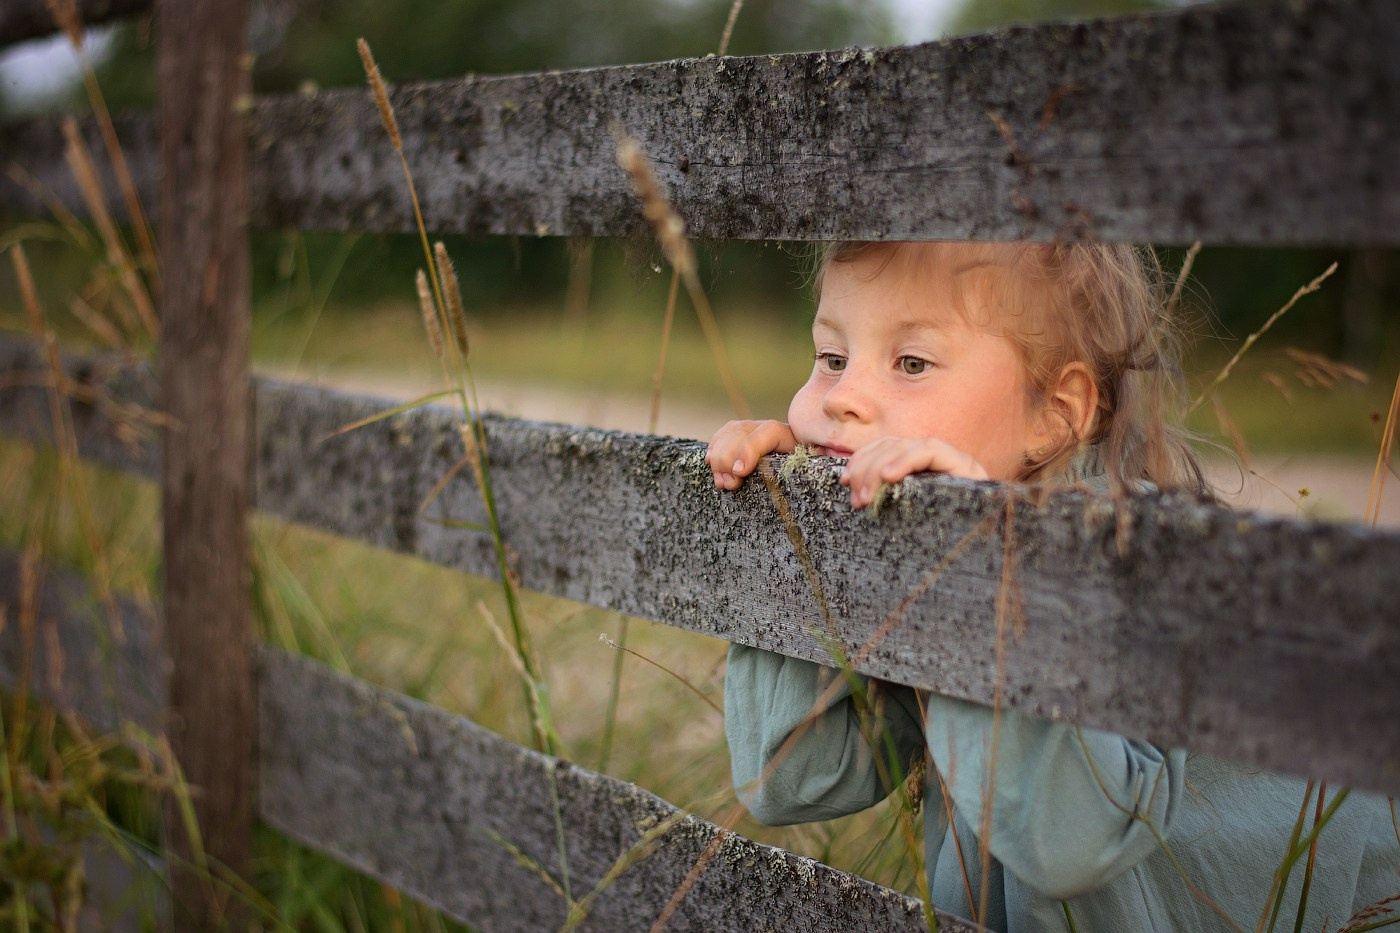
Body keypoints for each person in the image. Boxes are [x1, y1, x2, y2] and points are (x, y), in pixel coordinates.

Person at [705, 241, 1398, 932]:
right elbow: (791, 777)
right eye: (832, 357)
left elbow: (1068, 843)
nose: (843, 398)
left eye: (912, 363)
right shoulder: (915, 539)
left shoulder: (1121, 563)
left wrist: (980, 560)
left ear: (1054, 414)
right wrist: (793, 531)